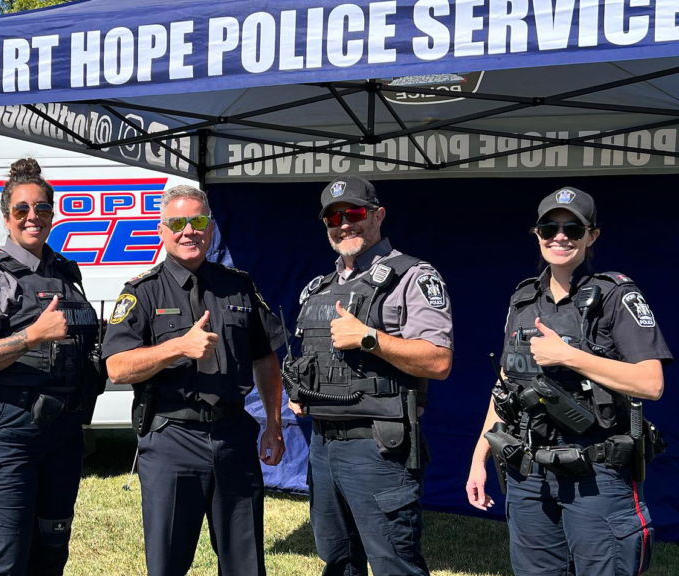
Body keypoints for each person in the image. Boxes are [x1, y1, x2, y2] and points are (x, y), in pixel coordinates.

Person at [466, 186, 672, 576]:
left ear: (591, 236)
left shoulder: (616, 296)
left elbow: (651, 383)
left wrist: (570, 357)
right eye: (549, 228)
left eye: (572, 229)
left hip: (597, 474)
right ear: (538, 234)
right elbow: (507, 385)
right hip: (529, 474)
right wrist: (480, 459)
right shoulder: (523, 300)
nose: (560, 237)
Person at [102, 184, 286, 576]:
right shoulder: (142, 293)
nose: (189, 231)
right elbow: (116, 367)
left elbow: (266, 358)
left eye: (198, 221)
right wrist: (177, 347)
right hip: (172, 438)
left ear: (211, 227)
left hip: (234, 436)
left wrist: (274, 423)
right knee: (168, 563)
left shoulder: (239, 285)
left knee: (246, 564)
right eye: (178, 223)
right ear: (162, 230)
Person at [286, 176, 454, 576]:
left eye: (355, 213)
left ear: (378, 215)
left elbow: (439, 361)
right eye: (333, 217)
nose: (344, 224)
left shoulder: (413, 277)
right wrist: (300, 390)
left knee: (394, 564)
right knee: (338, 560)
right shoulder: (317, 288)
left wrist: (369, 339)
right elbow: (311, 357)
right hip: (324, 447)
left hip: (378, 449)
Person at [0, 158, 102, 576]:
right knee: (7, 561)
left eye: (41, 208)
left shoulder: (66, 273)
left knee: (52, 554)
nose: (32, 217)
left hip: (62, 435)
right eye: (22, 209)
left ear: (52, 214)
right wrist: (32, 336)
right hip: (8, 436)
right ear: (7, 217)